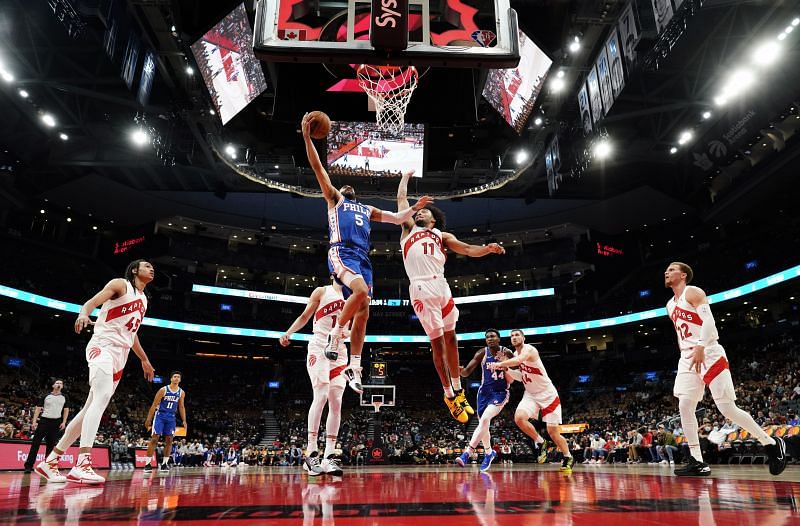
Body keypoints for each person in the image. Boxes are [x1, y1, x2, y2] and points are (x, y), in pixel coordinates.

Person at [302, 112, 432, 394]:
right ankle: (336, 337)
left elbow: (397, 219)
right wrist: (306, 138)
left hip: (363, 258)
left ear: (356, 193)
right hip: (341, 253)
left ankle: (355, 366)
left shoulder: (366, 209)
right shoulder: (335, 199)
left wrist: (413, 207)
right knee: (360, 292)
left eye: (351, 186)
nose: (347, 186)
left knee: (364, 311)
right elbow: (317, 169)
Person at [396, 171, 504, 422]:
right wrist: (404, 178)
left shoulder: (443, 236)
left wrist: (487, 249)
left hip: (442, 286)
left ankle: (458, 388)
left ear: (434, 220)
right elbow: (401, 201)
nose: (420, 214)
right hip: (421, 288)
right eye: (419, 212)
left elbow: (467, 249)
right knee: (438, 345)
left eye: (425, 213)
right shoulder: (407, 229)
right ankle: (448, 395)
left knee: (452, 338)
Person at [35, 259, 156, 484]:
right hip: (103, 346)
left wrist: (145, 360)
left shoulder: (144, 300)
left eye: (152, 267)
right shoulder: (120, 284)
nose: (151, 268)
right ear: (134, 270)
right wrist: (83, 313)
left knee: (88, 410)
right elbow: (92, 302)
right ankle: (82, 463)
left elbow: (132, 334)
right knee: (99, 399)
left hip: (121, 355)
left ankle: (50, 461)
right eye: (146, 265)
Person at [664, 261, 787, 476]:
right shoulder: (669, 305)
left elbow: (709, 321)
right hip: (687, 356)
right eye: (666, 270)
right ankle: (697, 461)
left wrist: (701, 345)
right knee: (684, 405)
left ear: (683, 275)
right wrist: (689, 350)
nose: (667, 272)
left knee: (726, 407)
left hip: (708, 350)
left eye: (672, 269)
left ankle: (770, 443)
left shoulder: (692, 292)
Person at [280, 279, 349, 477]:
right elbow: (304, 315)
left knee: (336, 401)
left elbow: (355, 330)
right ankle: (311, 454)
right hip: (319, 345)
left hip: (340, 350)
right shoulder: (322, 291)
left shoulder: (353, 297)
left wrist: (347, 332)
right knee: (321, 395)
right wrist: (289, 332)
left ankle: (329, 456)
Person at [487, 329, 574, 473]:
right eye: (512, 336)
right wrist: (506, 369)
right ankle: (541, 442)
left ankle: (568, 456)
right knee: (519, 418)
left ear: (523, 337)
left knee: (553, 432)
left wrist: (502, 364)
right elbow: (520, 377)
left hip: (548, 394)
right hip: (531, 394)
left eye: (517, 335)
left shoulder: (529, 349)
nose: (514, 337)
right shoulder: (513, 356)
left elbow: (519, 360)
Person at [455, 329, 515, 471]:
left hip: (500, 392)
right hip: (483, 393)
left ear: (499, 339)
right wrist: (459, 370)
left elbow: (516, 374)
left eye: (493, 336)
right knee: (484, 423)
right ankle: (489, 453)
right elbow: (467, 371)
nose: (490, 339)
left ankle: (467, 453)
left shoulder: (507, 353)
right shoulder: (482, 353)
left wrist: (505, 364)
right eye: (487, 337)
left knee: (485, 419)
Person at [144, 371, 186, 474]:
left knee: (169, 440)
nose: (176, 378)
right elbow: (154, 405)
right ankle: (147, 464)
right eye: (174, 376)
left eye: (178, 377)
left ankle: (164, 464)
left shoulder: (181, 392)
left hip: (171, 417)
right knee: (155, 438)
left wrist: (184, 420)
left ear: (180, 380)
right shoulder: (163, 390)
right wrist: (148, 419)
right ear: (171, 379)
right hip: (160, 416)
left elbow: (181, 406)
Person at [23, 379, 69, 473]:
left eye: (61, 383)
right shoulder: (46, 396)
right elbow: (38, 409)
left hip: (56, 422)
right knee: (35, 444)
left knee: (51, 446)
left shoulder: (65, 397)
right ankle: (28, 466)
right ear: (53, 385)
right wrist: (34, 422)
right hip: (44, 421)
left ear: (62, 386)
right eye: (57, 383)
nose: (59, 384)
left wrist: (64, 422)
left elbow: (66, 410)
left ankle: (47, 466)